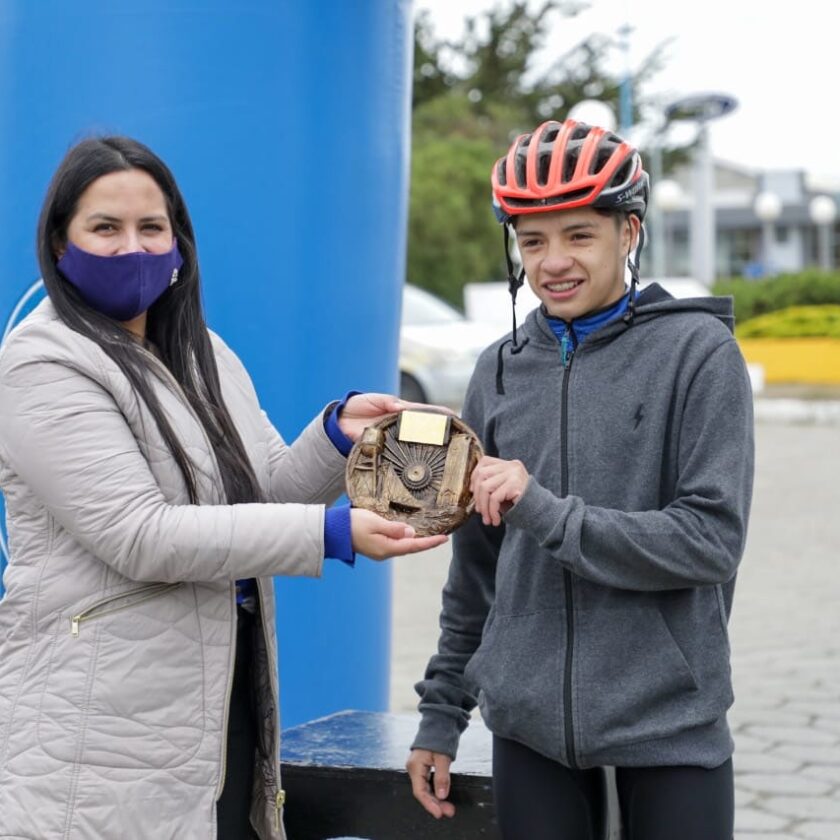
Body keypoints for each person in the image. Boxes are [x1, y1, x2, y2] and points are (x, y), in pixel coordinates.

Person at [0, 135, 447, 840]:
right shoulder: (41, 361)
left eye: (151, 228)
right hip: (98, 725)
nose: (132, 249)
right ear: (60, 244)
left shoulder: (204, 351)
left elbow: (264, 496)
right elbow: (139, 536)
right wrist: (330, 534)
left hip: (219, 701)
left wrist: (338, 436)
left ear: (179, 243)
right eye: (105, 228)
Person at [406, 118, 754, 840]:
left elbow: (710, 541)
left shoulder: (698, 354)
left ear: (629, 233)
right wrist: (441, 713)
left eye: (579, 235)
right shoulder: (498, 370)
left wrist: (545, 510)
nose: (553, 261)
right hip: (529, 728)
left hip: (669, 722)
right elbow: (477, 568)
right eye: (532, 241)